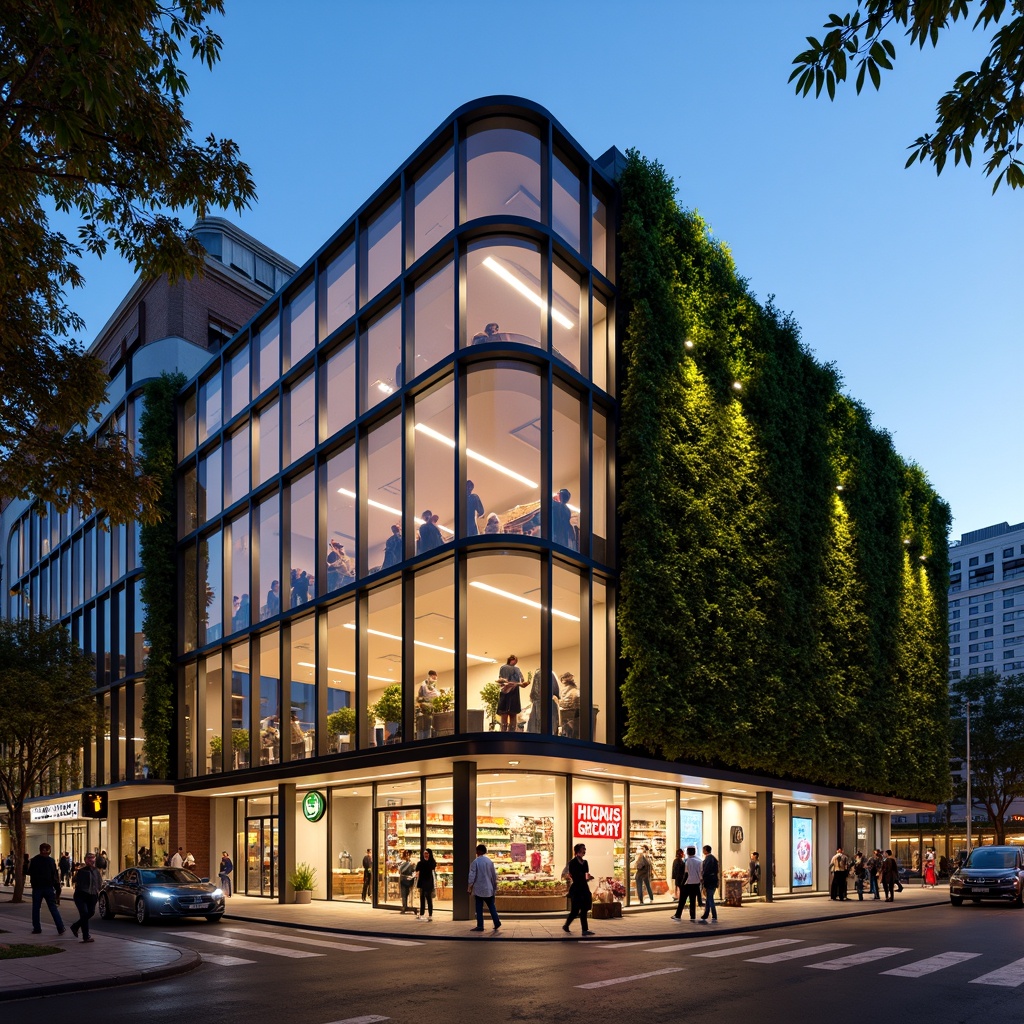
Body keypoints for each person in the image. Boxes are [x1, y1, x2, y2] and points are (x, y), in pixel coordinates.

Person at [28, 843, 65, 935]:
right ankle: (60, 927)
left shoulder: (34, 860)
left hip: (37, 887)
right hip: (48, 887)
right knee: (53, 908)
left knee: (36, 908)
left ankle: (37, 928)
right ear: (49, 850)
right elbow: (54, 875)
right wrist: (57, 888)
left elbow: (29, 872)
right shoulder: (51, 861)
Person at [562, 843, 595, 936]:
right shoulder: (572, 863)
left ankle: (585, 929)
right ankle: (566, 925)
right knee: (575, 910)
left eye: (584, 849)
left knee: (584, 909)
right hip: (577, 888)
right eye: (582, 849)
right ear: (578, 851)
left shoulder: (585, 862)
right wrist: (584, 878)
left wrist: (588, 878)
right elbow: (574, 875)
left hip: (584, 887)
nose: (584, 851)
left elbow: (585, 874)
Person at [69, 851, 102, 943]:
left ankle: (75, 926)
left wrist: (97, 891)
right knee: (84, 913)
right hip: (81, 895)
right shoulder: (82, 871)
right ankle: (86, 936)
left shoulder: (96, 871)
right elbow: (75, 880)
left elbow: (99, 882)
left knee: (90, 912)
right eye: (89, 859)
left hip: (92, 895)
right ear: (86, 860)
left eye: (92, 858)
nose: (91, 861)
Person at [467, 843, 502, 932]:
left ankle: (480, 925)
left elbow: (472, 875)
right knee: (491, 906)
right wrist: (494, 886)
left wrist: (469, 887)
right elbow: (494, 876)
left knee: (479, 908)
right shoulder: (489, 862)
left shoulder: (476, 862)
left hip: (479, 888)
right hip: (489, 888)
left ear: (478, 851)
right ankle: (496, 922)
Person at [496, 655, 528, 732]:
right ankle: (504, 732)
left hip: (514, 693)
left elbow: (522, 682)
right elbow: (501, 680)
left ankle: (512, 732)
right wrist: (506, 682)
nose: (516, 662)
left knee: (513, 713)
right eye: (515, 660)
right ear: (511, 660)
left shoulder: (517, 669)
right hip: (506, 692)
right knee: (504, 713)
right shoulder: (504, 667)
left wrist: (522, 684)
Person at [672, 846, 702, 921]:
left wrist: (682, 883)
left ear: (688, 852)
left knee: (682, 900)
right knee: (693, 901)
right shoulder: (699, 861)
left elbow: (686, 873)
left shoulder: (687, 861)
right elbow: (700, 873)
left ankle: (678, 915)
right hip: (696, 884)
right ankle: (692, 916)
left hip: (688, 883)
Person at [527, 669, 560, 734]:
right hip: (548, 701)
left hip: (539, 702)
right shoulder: (550, 674)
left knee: (539, 722)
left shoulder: (538, 674)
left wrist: (533, 697)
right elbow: (556, 689)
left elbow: (535, 690)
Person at [413, 849, 437, 920]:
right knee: (422, 898)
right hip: (422, 882)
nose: (425, 855)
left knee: (429, 898)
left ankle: (430, 914)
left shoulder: (432, 862)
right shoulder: (420, 862)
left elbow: (432, 868)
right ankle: (421, 913)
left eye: (427, 853)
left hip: (429, 882)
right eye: (424, 854)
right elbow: (417, 869)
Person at [557, 672, 581, 736]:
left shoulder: (567, 690)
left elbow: (564, 703)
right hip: (575, 716)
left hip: (568, 715)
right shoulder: (576, 690)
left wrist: (557, 701)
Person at [700, 844, 719, 922]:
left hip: (709, 881)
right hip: (713, 880)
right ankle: (706, 914)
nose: (703, 851)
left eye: (703, 850)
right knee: (708, 898)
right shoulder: (713, 859)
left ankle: (714, 915)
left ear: (706, 850)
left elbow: (706, 871)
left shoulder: (708, 859)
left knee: (710, 898)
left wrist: (703, 878)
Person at [398, 849, 416, 913]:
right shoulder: (402, 862)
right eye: (407, 854)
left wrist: (413, 876)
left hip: (408, 879)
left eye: (409, 854)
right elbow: (400, 871)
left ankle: (406, 906)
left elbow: (414, 871)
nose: (408, 856)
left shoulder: (411, 862)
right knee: (404, 894)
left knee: (406, 893)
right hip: (404, 879)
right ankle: (404, 906)